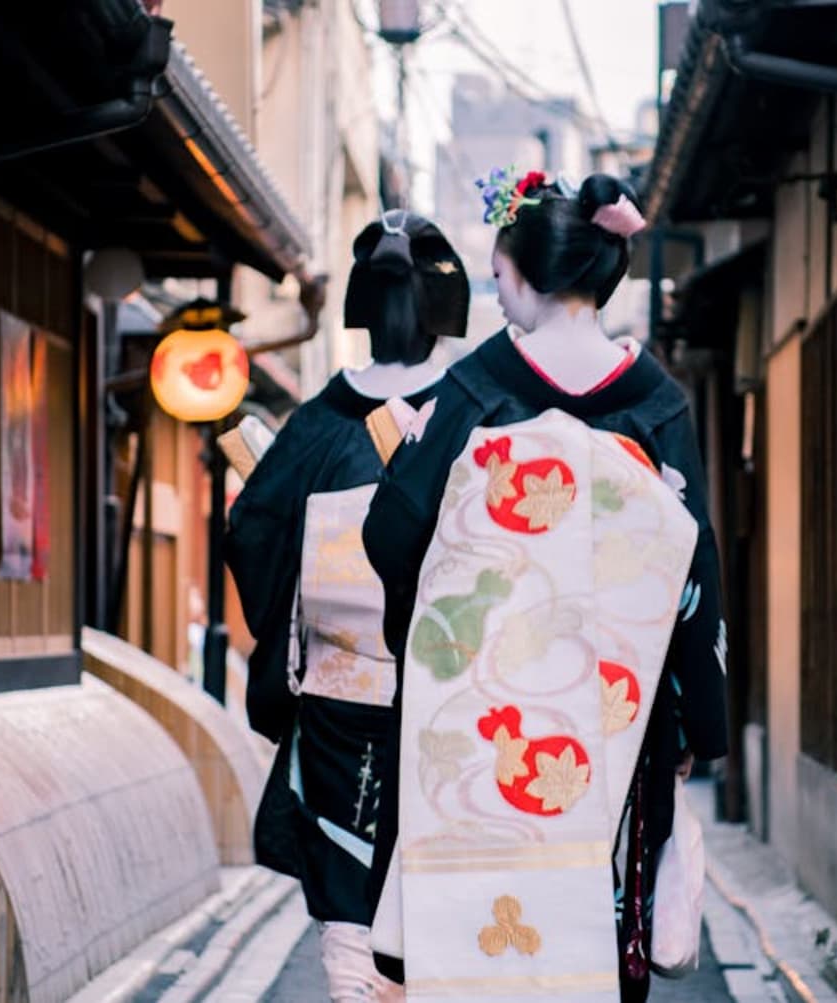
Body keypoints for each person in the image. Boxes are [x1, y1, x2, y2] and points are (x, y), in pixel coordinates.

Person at [361, 170, 729, 1001]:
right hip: (612, 725)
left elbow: (392, 531)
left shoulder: (476, 390)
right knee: (591, 941)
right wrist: (696, 719)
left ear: (523, 277)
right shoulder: (656, 403)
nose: (499, 296)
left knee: (472, 952)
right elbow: (693, 575)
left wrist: (433, 635)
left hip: (479, 718)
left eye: (497, 279)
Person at [227, 210, 470, 1002]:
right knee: (437, 864)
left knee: (344, 870)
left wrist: (287, 629)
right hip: (445, 688)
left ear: (360, 310)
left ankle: (358, 989)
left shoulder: (318, 423)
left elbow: (254, 528)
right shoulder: (471, 411)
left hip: (337, 693)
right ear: (446, 311)